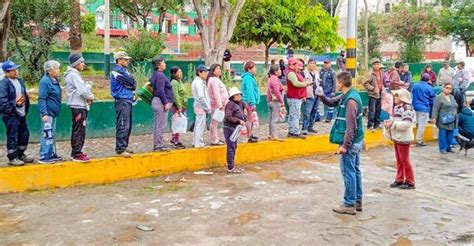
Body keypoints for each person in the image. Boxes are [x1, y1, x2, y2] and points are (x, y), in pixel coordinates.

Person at [316, 71, 365, 215]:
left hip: (351, 142)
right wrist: (321, 96)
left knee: (348, 171)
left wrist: (344, 146)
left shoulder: (350, 101)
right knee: (355, 170)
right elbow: (333, 102)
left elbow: (351, 127)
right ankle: (357, 200)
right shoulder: (349, 95)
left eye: (337, 82)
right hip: (357, 141)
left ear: (341, 83)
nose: (336, 84)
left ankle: (349, 203)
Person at [0, 61, 33, 166]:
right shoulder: (4, 84)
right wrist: (11, 111)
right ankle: (12, 157)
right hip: (12, 115)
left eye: (16, 69)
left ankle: (20, 154)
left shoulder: (20, 81)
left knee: (24, 134)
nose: (16, 71)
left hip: (21, 113)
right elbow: (2, 100)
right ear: (7, 72)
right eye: (13, 70)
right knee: (12, 135)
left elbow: (24, 95)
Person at [65, 53, 94, 162]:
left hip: (78, 104)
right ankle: (77, 153)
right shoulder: (74, 75)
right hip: (78, 106)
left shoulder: (73, 74)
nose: (83, 64)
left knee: (79, 129)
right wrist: (90, 95)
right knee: (79, 130)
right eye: (81, 62)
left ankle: (76, 151)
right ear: (76, 63)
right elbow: (83, 90)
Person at [384, 89, 416, 190]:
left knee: (405, 160)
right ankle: (399, 179)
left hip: (403, 138)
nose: (395, 98)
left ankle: (410, 181)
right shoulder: (397, 107)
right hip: (397, 137)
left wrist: (392, 124)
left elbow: (407, 123)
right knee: (399, 160)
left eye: (397, 96)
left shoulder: (407, 108)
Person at [110, 51, 137, 157]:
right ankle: (120, 148)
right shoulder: (117, 71)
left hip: (127, 100)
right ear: (118, 60)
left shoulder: (124, 71)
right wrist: (130, 83)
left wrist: (131, 83)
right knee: (123, 125)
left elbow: (133, 84)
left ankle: (124, 146)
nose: (127, 61)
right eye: (125, 59)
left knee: (128, 125)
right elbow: (131, 81)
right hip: (122, 100)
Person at [38, 60, 62, 164]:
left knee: (51, 134)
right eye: (55, 68)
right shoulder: (45, 81)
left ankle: (51, 153)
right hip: (48, 113)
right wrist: (44, 113)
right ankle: (44, 155)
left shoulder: (55, 80)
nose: (58, 70)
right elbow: (42, 98)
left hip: (53, 112)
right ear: (49, 71)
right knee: (46, 133)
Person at [150, 57, 173, 152]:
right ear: (158, 64)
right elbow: (160, 90)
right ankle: (159, 145)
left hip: (157, 101)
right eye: (163, 62)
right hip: (160, 102)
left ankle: (157, 144)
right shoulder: (160, 75)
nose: (165, 64)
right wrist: (166, 102)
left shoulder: (155, 74)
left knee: (157, 124)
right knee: (161, 125)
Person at [223, 87, 247, 174]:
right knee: (231, 147)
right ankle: (230, 167)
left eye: (239, 94)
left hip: (236, 128)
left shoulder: (240, 103)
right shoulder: (230, 105)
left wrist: (245, 117)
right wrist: (238, 120)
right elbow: (228, 116)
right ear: (233, 96)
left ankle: (232, 165)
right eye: (236, 95)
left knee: (234, 146)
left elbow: (244, 111)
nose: (239, 96)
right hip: (229, 128)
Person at [286, 59, 311, 138]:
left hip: (296, 96)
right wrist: (306, 83)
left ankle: (291, 131)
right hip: (294, 97)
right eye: (296, 65)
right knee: (295, 115)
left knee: (293, 114)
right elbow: (296, 83)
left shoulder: (294, 73)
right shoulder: (291, 73)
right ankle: (295, 132)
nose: (299, 68)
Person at [432, 83, 458, 154]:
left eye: (450, 88)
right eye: (447, 88)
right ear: (443, 88)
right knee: (443, 134)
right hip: (443, 119)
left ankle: (448, 147)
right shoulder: (439, 97)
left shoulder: (452, 97)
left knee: (450, 134)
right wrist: (434, 118)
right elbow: (435, 108)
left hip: (452, 119)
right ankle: (443, 148)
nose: (448, 90)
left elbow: (455, 106)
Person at [411, 73, 435, 147]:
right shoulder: (429, 87)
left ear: (420, 78)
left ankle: (416, 138)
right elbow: (432, 99)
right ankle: (419, 141)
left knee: (418, 123)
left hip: (415, 106)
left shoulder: (415, 85)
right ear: (428, 79)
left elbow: (412, 93)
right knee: (422, 125)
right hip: (424, 108)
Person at [207, 63, 228, 146]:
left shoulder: (214, 79)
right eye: (217, 69)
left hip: (218, 105)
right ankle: (214, 139)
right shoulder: (214, 80)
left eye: (220, 68)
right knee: (215, 123)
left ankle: (215, 138)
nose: (219, 70)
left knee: (215, 122)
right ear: (213, 71)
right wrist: (220, 105)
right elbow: (216, 94)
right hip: (217, 105)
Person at [192, 65, 211, 148]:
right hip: (201, 107)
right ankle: (199, 143)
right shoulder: (199, 82)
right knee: (200, 125)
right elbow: (201, 97)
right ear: (199, 72)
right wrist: (207, 107)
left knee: (198, 125)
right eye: (205, 72)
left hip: (199, 106)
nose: (206, 73)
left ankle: (195, 142)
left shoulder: (198, 81)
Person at [241, 61, 261, 143]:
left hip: (248, 101)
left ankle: (250, 134)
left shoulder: (249, 77)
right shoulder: (248, 78)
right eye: (254, 67)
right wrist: (252, 102)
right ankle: (249, 136)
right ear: (249, 69)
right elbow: (250, 91)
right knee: (249, 119)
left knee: (251, 119)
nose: (255, 69)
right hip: (248, 102)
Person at [364, 59, 384, 130]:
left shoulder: (381, 72)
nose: (376, 66)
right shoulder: (370, 73)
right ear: (372, 65)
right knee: (372, 111)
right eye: (375, 64)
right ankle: (370, 125)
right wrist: (372, 88)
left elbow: (382, 82)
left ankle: (377, 125)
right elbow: (365, 83)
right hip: (373, 95)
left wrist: (382, 88)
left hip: (380, 94)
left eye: (378, 64)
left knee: (378, 111)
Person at [169, 66, 187, 149]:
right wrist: (179, 106)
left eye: (181, 71)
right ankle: (175, 141)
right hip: (177, 106)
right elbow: (175, 95)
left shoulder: (179, 82)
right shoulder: (174, 82)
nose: (181, 73)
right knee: (177, 124)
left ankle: (175, 139)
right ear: (174, 73)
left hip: (182, 105)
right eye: (178, 72)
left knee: (178, 123)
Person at [266, 64, 285, 140]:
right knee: (275, 119)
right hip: (275, 102)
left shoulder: (270, 78)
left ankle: (271, 134)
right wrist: (281, 101)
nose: (281, 71)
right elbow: (277, 91)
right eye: (279, 70)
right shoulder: (275, 80)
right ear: (275, 71)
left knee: (271, 118)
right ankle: (274, 135)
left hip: (270, 100)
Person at [302, 58, 320, 134]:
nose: (312, 65)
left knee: (314, 111)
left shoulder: (317, 73)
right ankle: (304, 128)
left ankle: (311, 127)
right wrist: (303, 95)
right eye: (311, 63)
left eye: (314, 63)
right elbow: (302, 84)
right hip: (308, 95)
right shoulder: (304, 73)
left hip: (317, 95)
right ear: (308, 64)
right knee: (307, 112)